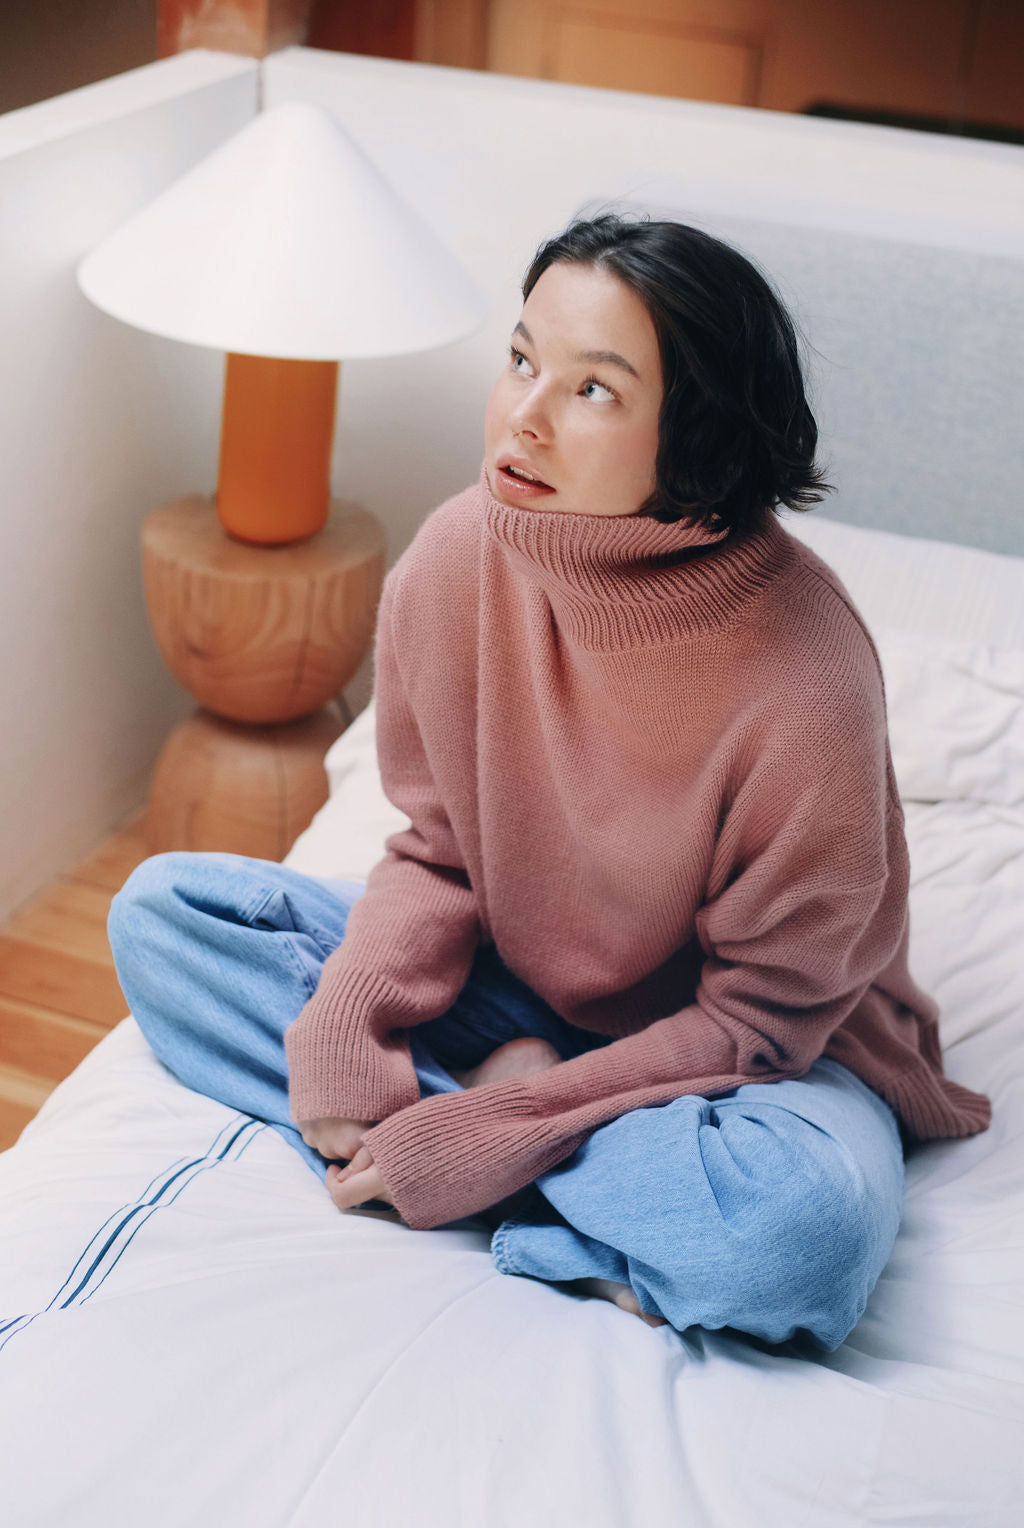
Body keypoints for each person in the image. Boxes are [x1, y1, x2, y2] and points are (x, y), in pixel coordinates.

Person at [108, 211, 991, 1350]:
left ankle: (470, 1148)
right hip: (517, 982)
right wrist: (352, 1017)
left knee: (799, 1239)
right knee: (164, 917)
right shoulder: (453, 557)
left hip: (749, 1061)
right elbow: (438, 853)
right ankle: (544, 1170)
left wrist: (506, 1128)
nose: (524, 415)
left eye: (593, 390)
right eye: (523, 359)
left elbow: (761, 1022)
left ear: (700, 435)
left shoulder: (805, 677)